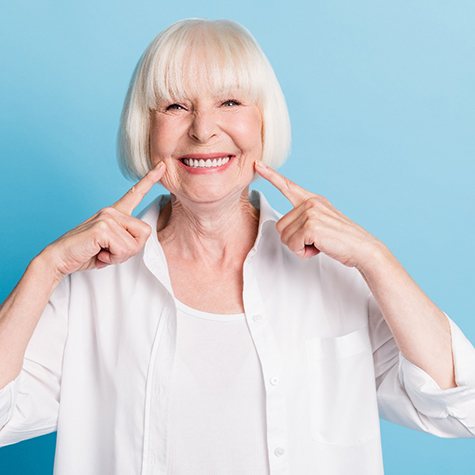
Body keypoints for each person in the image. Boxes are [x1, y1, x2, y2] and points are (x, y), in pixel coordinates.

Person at [0, 17, 474, 475]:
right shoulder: (86, 289)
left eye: (230, 102)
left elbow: (462, 408)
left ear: (265, 123)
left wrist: (376, 258)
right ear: (145, 130)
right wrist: (44, 267)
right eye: (175, 106)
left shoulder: (336, 274)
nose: (203, 130)